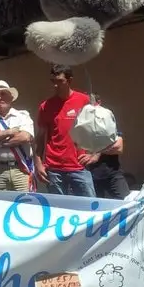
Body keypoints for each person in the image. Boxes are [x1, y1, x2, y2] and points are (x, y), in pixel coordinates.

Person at [34, 64, 95, 197]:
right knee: (59, 209)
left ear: (69, 80)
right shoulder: (46, 106)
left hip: (79, 167)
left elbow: (99, 129)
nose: (56, 85)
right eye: (53, 82)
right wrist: (38, 163)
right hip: (54, 168)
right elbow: (40, 137)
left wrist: (95, 155)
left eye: (60, 81)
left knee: (89, 208)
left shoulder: (84, 101)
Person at [0, 80, 35, 192]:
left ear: (11, 97)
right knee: (1, 205)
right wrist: (8, 132)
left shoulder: (22, 116)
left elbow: (25, 137)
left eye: (3, 94)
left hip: (20, 169)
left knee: (25, 203)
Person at [87, 95, 129, 200]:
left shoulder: (108, 120)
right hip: (90, 176)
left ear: (99, 102)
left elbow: (119, 147)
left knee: (126, 203)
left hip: (112, 173)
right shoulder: (82, 125)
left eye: (92, 103)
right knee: (95, 211)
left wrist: (97, 152)